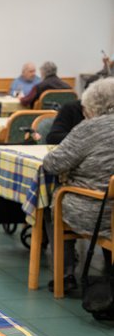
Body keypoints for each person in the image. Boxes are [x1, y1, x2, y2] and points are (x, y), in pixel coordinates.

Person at [43, 77, 114, 293]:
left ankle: (65, 275)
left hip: (97, 210)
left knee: (52, 201)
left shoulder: (89, 128)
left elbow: (52, 164)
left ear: (91, 106)